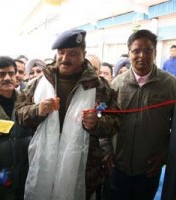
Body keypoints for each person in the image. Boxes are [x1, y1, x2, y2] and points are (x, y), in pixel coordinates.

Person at [15, 29, 120, 200]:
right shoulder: (40, 83)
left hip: (84, 171)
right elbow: (19, 113)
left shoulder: (100, 87)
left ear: (83, 54)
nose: (65, 58)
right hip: (44, 166)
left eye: (72, 53)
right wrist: (37, 111)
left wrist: (97, 123)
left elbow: (116, 121)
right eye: (61, 53)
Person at [107, 29, 176, 200]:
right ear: (129, 53)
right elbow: (104, 119)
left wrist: (165, 154)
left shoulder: (170, 85)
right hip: (118, 166)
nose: (142, 55)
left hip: (149, 169)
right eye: (136, 50)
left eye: (148, 50)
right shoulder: (116, 84)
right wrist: (106, 150)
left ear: (155, 53)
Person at [0, 56, 33, 200]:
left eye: (11, 73)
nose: (7, 78)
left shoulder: (27, 102)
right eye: (1, 74)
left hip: (25, 177)